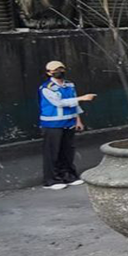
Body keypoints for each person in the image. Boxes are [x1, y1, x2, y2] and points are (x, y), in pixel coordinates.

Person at [38, 60, 96, 190]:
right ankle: (51, 180)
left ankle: (68, 176)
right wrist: (82, 98)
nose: (58, 71)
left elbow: (74, 104)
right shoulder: (46, 88)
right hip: (52, 124)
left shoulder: (69, 85)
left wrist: (78, 120)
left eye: (60, 69)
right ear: (48, 73)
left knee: (67, 151)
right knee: (53, 152)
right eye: (54, 70)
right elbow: (59, 103)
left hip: (69, 122)